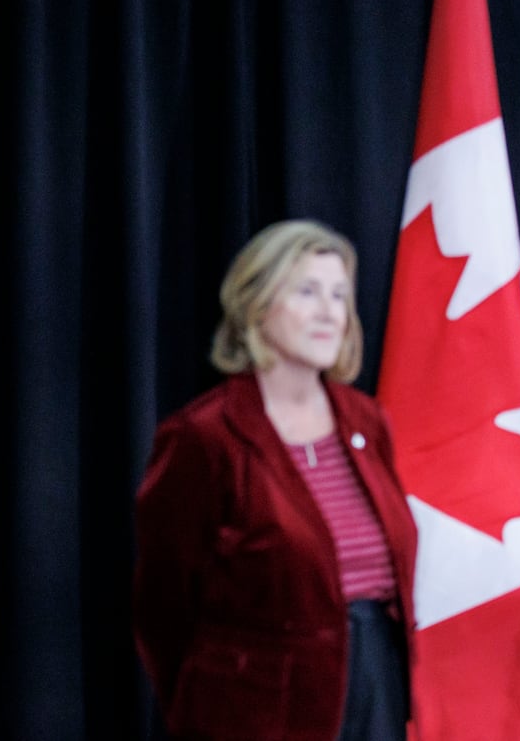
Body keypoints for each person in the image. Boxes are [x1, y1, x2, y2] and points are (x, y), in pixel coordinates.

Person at [133, 220, 417, 740]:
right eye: (307, 291)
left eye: (339, 295)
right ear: (258, 305)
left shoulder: (365, 420)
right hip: (256, 707)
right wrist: (209, 705)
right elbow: (162, 605)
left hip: (375, 680)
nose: (329, 311)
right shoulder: (204, 436)